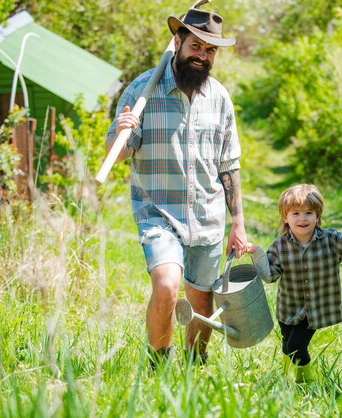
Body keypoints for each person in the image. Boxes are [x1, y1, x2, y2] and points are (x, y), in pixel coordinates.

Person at [105, 6, 247, 369]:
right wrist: (123, 127)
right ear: (178, 41)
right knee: (167, 286)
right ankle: (158, 364)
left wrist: (238, 222)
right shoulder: (141, 92)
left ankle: (194, 362)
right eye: (196, 45)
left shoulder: (219, 97)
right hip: (158, 212)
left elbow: (228, 166)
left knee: (202, 304)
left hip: (207, 215)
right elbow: (116, 156)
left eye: (210, 50)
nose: (202, 55)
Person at [247, 184, 342, 383]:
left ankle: (306, 383)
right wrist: (257, 253)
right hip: (288, 308)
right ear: (285, 217)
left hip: (314, 310)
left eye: (309, 213)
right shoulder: (280, 246)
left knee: (296, 347)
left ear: (318, 216)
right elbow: (270, 276)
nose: (302, 218)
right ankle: (287, 379)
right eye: (296, 213)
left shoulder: (330, 240)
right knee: (287, 345)